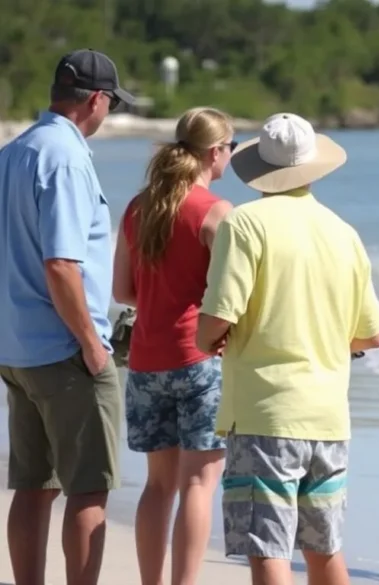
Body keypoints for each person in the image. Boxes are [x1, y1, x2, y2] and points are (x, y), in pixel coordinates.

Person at [196, 112, 379, 585]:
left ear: (259, 168)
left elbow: (215, 321)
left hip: (266, 413)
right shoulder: (344, 233)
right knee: (323, 551)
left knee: (268, 551)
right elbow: (370, 335)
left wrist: (212, 338)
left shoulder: (244, 224)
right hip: (328, 418)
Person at [0, 49, 135, 585]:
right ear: (96, 100)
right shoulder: (66, 157)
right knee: (88, 488)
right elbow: (61, 263)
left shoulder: (14, 152)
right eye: (111, 104)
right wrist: (92, 343)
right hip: (63, 350)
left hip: (16, 347)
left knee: (33, 487)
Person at [113, 106, 236, 585]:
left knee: (157, 486)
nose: (231, 155)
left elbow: (123, 291)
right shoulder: (217, 212)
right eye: (231, 146)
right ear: (213, 152)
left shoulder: (138, 207)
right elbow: (234, 295)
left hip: (146, 361)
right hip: (199, 359)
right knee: (199, 484)